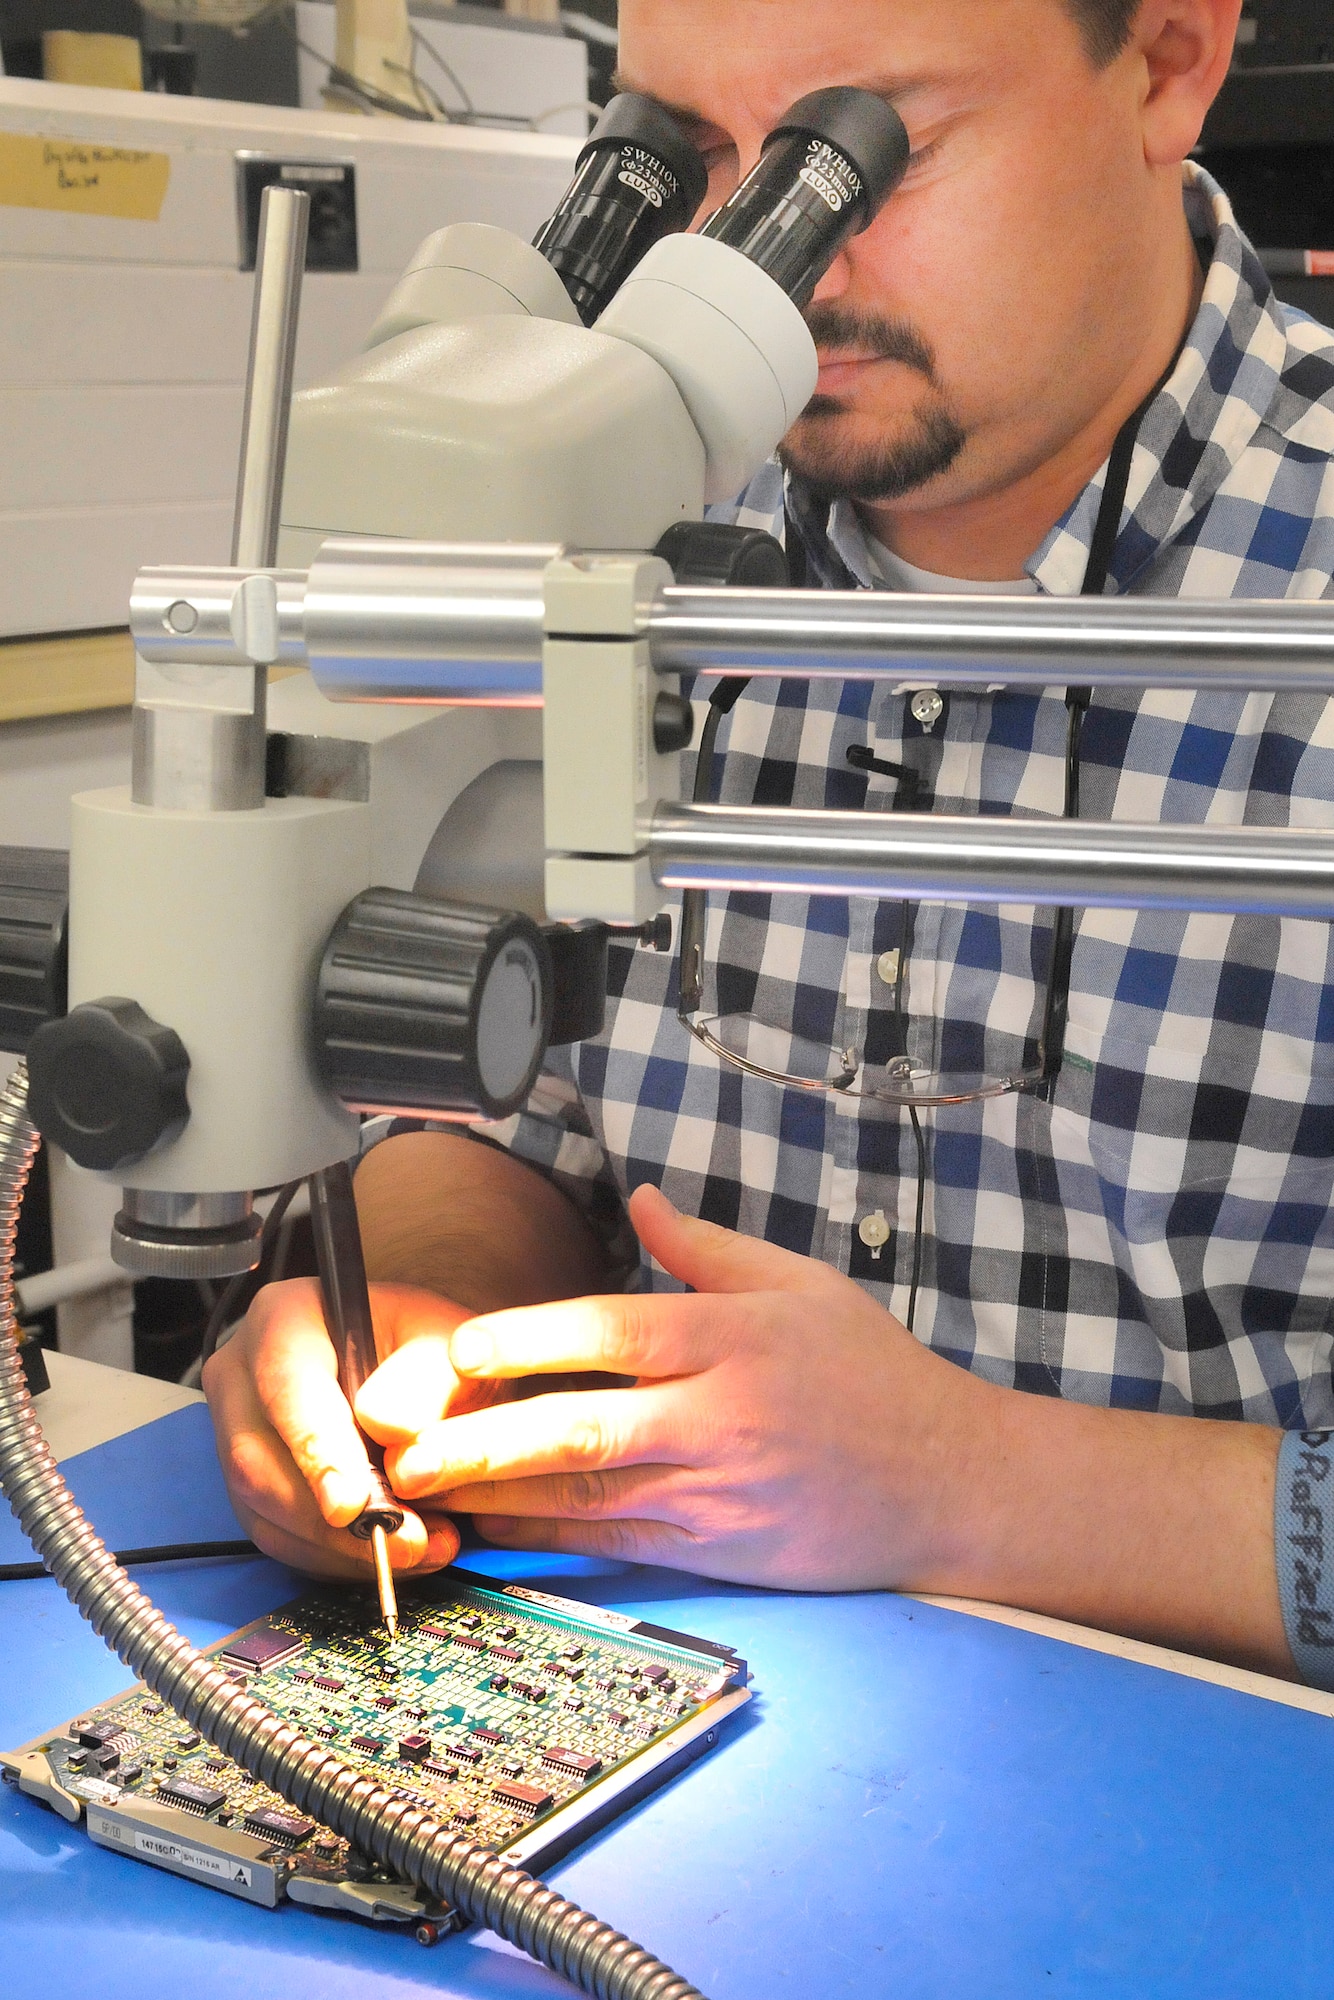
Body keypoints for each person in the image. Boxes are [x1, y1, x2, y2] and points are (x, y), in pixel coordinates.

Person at [204, 0, 1334, 1685]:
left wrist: (971, 1486)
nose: (763, 269)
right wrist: (408, 1330)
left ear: (1166, 61)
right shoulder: (632, 529)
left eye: (856, 152)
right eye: (689, 156)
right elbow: (506, 1117)